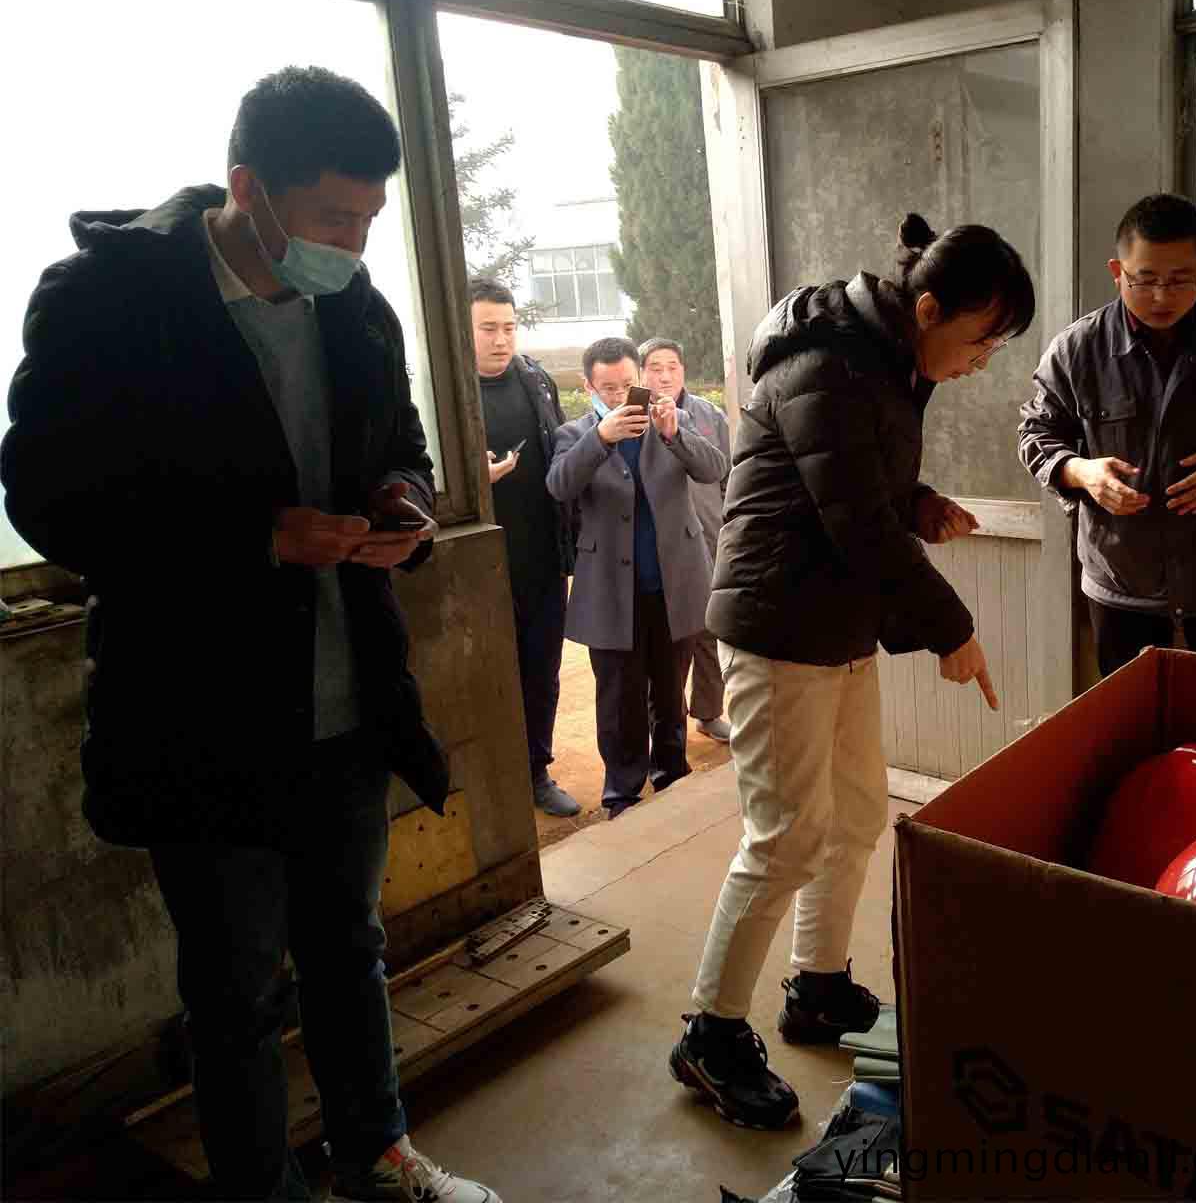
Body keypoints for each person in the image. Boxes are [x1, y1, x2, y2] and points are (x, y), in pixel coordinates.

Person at [0, 67, 497, 1203]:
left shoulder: (355, 306)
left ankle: (376, 1156)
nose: (353, 242)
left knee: (350, 951)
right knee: (234, 994)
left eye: (369, 218)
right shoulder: (107, 302)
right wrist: (256, 538)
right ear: (246, 187)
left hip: (346, 703)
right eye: (333, 216)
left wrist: (404, 505)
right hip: (201, 718)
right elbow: (49, 497)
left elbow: (401, 445)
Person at [671, 214, 1033, 1131]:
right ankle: (710, 1034)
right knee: (785, 838)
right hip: (776, 623)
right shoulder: (827, 363)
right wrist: (951, 627)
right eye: (982, 339)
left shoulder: (889, 360)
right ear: (928, 308)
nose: (982, 361)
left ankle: (818, 986)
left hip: (832, 621)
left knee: (859, 811)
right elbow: (855, 520)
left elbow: (864, 488)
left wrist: (922, 503)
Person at [1018, 193, 1196, 679]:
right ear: (1117, 271)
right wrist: (1082, 472)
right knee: (1131, 712)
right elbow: (1036, 433)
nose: (1161, 297)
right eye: (1145, 279)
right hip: (1120, 581)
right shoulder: (1079, 349)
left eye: (1179, 280)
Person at [547, 337, 728, 820]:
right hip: (611, 591)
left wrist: (675, 434)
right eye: (608, 388)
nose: (619, 395)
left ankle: (671, 773)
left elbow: (715, 468)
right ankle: (622, 790)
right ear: (588, 386)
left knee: (669, 691)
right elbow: (559, 485)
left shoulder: (671, 420)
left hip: (673, 583)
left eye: (627, 384)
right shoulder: (574, 434)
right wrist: (601, 438)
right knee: (618, 697)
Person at [470, 277, 581, 817]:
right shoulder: (443, 393)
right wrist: (474, 480)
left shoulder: (536, 380)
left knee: (542, 670)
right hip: (477, 565)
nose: (501, 339)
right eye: (488, 328)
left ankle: (536, 772)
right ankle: (492, 781)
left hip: (541, 558)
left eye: (509, 327)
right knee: (488, 677)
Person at [640, 336, 732, 743]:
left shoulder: (710, 416)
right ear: (641, 373)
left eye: (672, 367)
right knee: (671, 635)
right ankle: (666, 719)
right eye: (655, 368)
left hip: (711, 536)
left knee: (713, 628)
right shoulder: (635, 421)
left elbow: (728, 475)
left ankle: (709, 711)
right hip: (669, 543)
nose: (664, 376)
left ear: (683, 371)